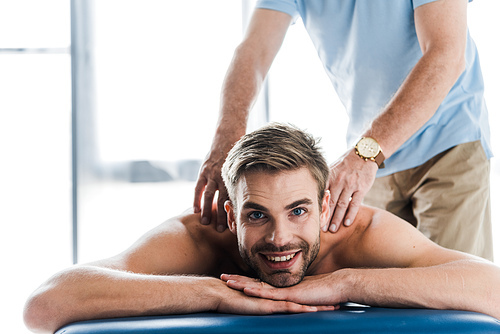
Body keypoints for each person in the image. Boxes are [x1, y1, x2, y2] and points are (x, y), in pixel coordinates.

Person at [24, 124, 499, 334]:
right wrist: (214, 294)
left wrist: (342, 283)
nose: (279, 239)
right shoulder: (196, 239)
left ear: (325, 205)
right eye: (256, 216)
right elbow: (45, 305)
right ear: (230, 216)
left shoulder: (362, 235)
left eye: (298, 211)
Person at [193, 0, 493, 260]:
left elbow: (447, 54)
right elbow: (253, 51)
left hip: (446, 143)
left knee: (456, 294)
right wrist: (226, 140)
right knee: (385, 300)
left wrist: (366, 154)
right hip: (374, 159)